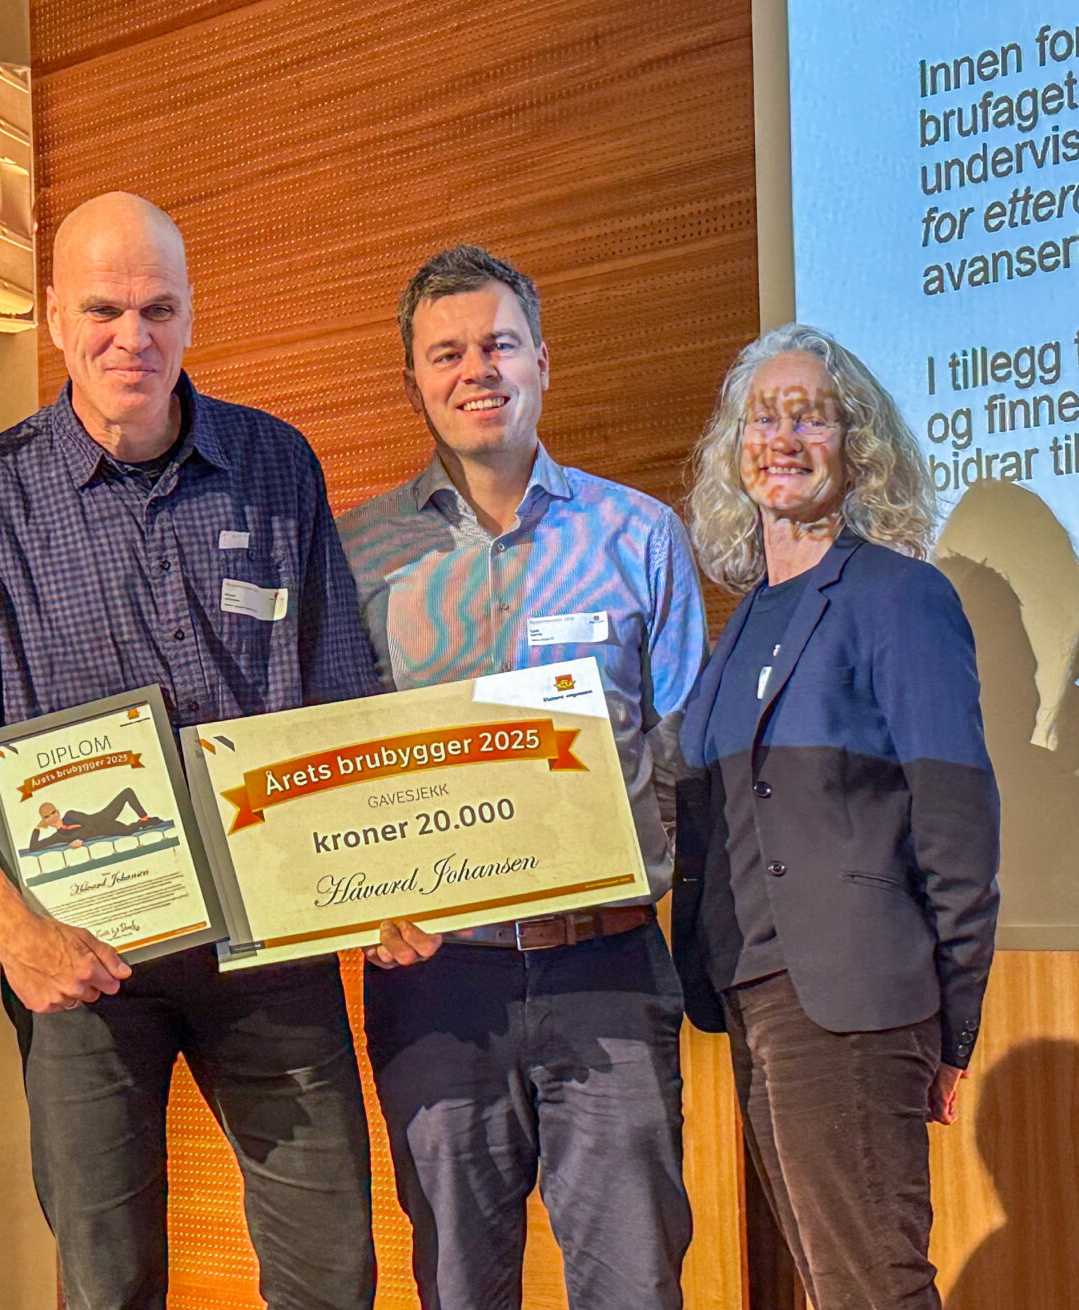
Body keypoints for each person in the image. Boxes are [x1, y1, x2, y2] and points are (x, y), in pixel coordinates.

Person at [0, 191, 379, 1310]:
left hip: (272, 947)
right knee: (106, 1284)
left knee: (332, 1267)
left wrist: (372, 873)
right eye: (104, 308)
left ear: (192, 314)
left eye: (158, 308)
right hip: (80, 964)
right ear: (55, 316)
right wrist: (16, 932)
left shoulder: (277, 465)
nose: (132, 337)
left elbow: (342, 695)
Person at [337, 245, 705, 1310]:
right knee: (457, 1286)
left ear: (542, 358)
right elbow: (339, 765)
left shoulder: (642, 536)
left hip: (609, 970)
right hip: (436, 985)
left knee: (637, 1285)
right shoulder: (359, 555)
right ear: (414, 382)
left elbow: (685, 756)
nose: (476, 368)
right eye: (445, 352)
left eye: (498, 342)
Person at [671, 323, 1001, 1310]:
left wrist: (954, 1019)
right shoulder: (739, 629)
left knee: (870, 1287)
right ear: (735, 451)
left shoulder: (900, 598)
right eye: (760, 417)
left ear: (856, 445)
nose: (782, 435)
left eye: (808, 413)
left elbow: (958, 818)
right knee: (830, 1281)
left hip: (856, 997)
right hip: (754, 992)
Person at [27, 791, 160, 851]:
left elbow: (89, 823)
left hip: (103, 817)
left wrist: (81, 839)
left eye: (53, 812)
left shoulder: (70, 815)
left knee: (127, 793)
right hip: (107, 829)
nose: (53, 817)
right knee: (128, 830)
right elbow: (34, 847)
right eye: (48, 816)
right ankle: (144, 822)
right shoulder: (58, 836)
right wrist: (37, 828)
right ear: (46, 821)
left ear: (58, 812)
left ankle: (145, 818)